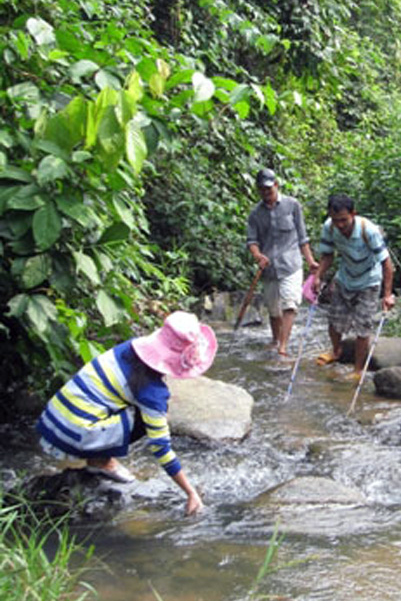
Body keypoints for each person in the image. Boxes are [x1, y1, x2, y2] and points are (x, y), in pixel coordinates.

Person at [36, 311, 217, 516]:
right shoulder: (152, 392)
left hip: (53, 421)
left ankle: (98, 458)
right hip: (75, 433)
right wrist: (190, 493)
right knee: (145, 419)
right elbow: (160, 447)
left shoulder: (129, 348)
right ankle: (101, 462)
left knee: (130, 408)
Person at [313, 194, 396, 379]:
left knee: (362, 326)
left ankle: (358, 370)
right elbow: (327, 255)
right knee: (334, 319)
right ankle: (336, 351)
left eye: (343, 220)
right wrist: (318, 277)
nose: (340, 225)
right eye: (336, 220)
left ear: (353, 213)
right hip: (344, 278)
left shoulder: (369, 231)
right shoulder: (329, 227)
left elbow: (387, 264)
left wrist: (388, 295)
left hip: (369, 281)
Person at [246, 167, 319, 357]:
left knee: (290, 304)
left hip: (291, 265)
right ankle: (275, 339)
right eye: (262, 190)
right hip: (269, 268)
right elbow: (251, 241)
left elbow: (303, 237)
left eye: (269, 189)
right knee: (273, 310)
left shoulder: (292, 205)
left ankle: (283, 347)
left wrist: (310, 261)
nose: (266, 193)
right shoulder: (255, 214)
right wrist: (257, 255)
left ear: (276, 185)